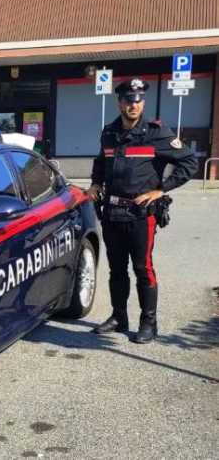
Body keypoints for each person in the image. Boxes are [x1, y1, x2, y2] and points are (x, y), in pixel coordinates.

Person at [86, 78, 197, 343]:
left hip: (141, 214)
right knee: (116, 270)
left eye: (138, 100)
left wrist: (162, 189)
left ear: (142, 103)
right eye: (128, 100)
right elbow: (101, 162)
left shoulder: (157, 133)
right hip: (112, 213)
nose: (133, 105)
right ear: (120, 103)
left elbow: (189, 162)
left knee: (142, 268)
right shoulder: (109, 132)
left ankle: (149, 323)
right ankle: (119, 317)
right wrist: (95, 183)